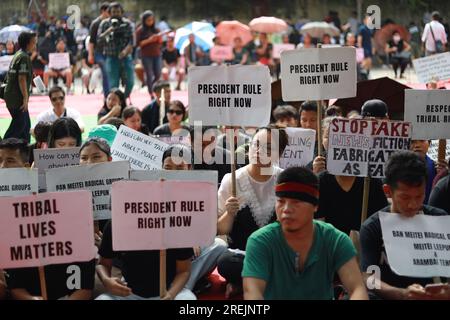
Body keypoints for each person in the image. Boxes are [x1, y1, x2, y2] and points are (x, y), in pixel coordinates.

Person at [242, 166, 368, 300]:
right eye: (281, 201)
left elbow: (357, 289)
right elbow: (252, 294)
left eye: (296, 202)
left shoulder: (336, 240)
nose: (286, 209)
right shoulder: (260, 241)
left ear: (315, 205)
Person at [96, 146, 196, 300]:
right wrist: (107, 281)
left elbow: (184, 270)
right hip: (129, 292)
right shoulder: (114, 224)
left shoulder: (172, 222)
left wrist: (170, 294)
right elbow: (103, 263)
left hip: (167, 291)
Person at [360, 151, 449, 300]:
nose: (413, 204)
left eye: (419, 196)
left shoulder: (440, 219)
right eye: (405, 197)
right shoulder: (373, 228)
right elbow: (369, 279)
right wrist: (401, 294)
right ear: (388, 191)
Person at [217, 126, 288, 298]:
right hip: (242, 255)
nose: (259, 151)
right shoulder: (232, 180)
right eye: (256, 144)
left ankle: (245, 284)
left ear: (279, 153)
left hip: (274, 255)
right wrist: (230, 212)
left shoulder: (285, 180)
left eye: (268, 147)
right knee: (226, 262)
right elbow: (220, 230)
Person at [3, 31, 36, 143]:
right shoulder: (24, 57)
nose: (34, 45)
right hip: (17, 98)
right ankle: (4, 147)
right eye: (33, 43)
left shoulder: (18, 54)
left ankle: (24, 151)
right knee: (18, 127)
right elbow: (21, 78)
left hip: (11, 95)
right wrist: (25, 98)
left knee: (25, 126)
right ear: (27, 43)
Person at [97, 2, 135, 99]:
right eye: (113, 12)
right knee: (113, 84)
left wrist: (125, 51)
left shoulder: (127, 24)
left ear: (121, 12)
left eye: (118, 11)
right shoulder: (104, 24)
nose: (116, 14)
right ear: (110, 12)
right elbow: (99, 39)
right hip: (111, 57)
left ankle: (123, 99)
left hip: (126, 57)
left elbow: (132, 41)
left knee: (130, 82)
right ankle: (116, 102)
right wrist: (109, 31)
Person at [136, 10, 163, 95]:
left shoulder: (157, 29)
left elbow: (160, 42)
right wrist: (149, 40)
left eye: (152, 20)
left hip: (157, 54)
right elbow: (138, 44)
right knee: (149, 74)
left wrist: (158, 38)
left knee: (158, 74)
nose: (150, 22)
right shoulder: (140, 30)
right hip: (146, 56)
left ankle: (150, 85)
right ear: (144, 20)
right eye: (148, 20)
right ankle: (151, 93)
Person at [88, 1, 110, 97]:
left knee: (109, 74)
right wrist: (90, 54)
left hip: (110, 53)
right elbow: (91, 41)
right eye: (108, 11)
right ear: (103, 11)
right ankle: (107, 96)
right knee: (106, 72)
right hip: (99, 53)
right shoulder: (95, 24)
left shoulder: (112, 22)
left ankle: (111, 95)